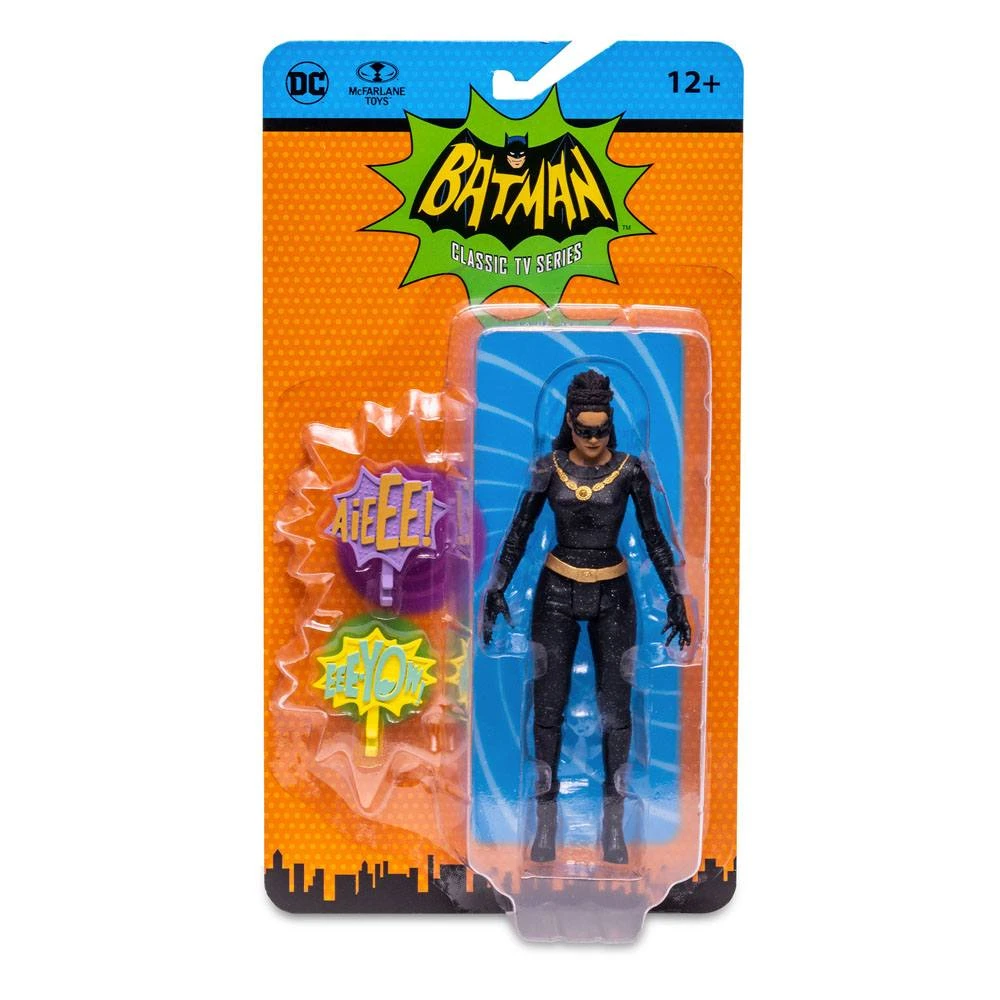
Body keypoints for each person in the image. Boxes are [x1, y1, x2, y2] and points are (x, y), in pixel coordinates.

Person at [481, 369, 691, 864]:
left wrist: (675, 594)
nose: (593, 441)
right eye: (583, 430)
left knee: (616, 712)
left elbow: (655, 536)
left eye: (601, 431)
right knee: (547, 709)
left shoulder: (630, 471)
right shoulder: (548, 468)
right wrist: (497, 587)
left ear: (610, 425)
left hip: (614, 591)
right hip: (555, 589)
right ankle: (545, 829)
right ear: (570, 423)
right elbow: (519, 531)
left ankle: (613, 831)